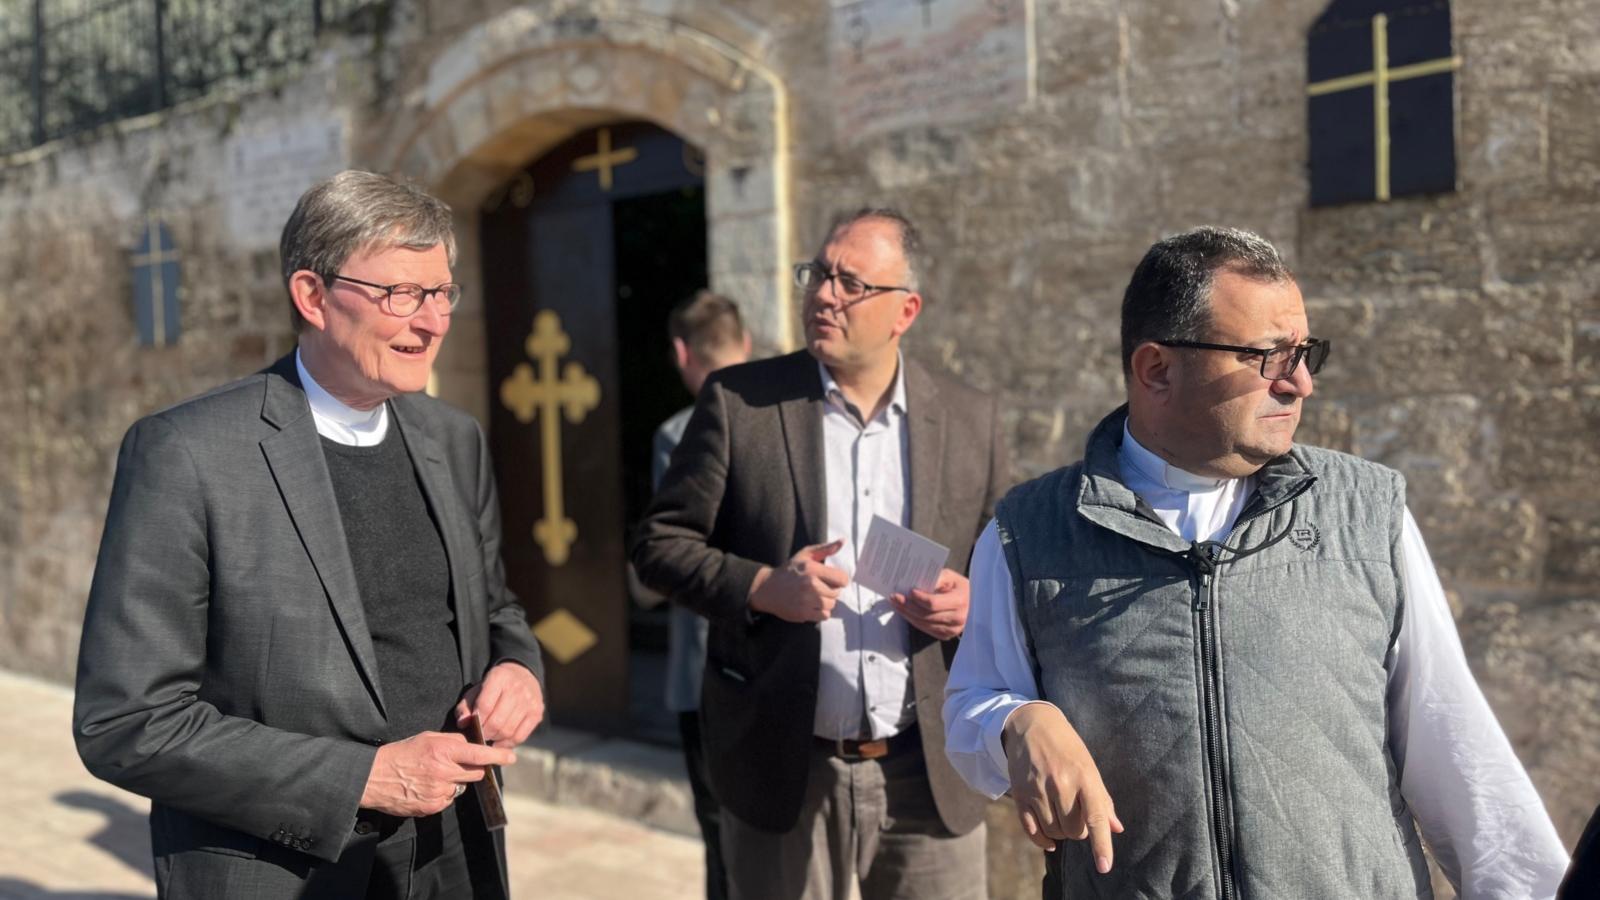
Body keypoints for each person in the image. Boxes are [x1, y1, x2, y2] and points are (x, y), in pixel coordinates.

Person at [944, 226, 1571, 900]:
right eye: (1268, 357)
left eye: (1305, 353)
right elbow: (971, 708)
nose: (1300, 383)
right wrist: (1017, 722)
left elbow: (1456, 750)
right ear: (1157, 369)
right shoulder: (1028, 531)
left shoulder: (1366, 514)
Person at [73, 170, 545, 900]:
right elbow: (126, 722)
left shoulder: (455, 439)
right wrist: (364, 778)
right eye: (401, 295)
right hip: (283, 871)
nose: (433, 321)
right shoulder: (189, 453)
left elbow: (495, 609)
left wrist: (517, 669)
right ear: (313, 296)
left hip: (458, 855)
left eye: (442, 291)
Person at [632, 209, 1007, 900]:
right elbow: (657, 547)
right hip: (785, 768)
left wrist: (972, 600)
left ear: (906, 310)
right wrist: (762, 585)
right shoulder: (741, 403)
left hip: (927, 773)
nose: (823, 294)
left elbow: (1003, 564)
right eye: (817, 274)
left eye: (849, 282)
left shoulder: (969, 417)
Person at [651, 289, 751, 900]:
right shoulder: (799, 412)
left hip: (707, 662)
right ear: (745, 344)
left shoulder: (680, 432)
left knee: (720, 836)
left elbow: (675, 550)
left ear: (682, 352)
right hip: (791, 660)